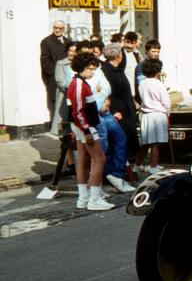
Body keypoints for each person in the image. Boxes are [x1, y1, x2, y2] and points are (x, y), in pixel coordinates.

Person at [66, 52, 114, 211]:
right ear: (82, 68)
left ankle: (83, 197)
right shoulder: (79, 84)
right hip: (85, 126)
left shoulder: (76, 82)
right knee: (100, 160)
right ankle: (94, 199)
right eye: (90, 68)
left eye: (94, 68)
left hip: (80, 126)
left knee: (83, 160)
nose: (92, 72)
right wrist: (86, 131)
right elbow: (77, 111)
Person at [101, 43, 139, 171]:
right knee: (119, 141)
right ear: (118, 56)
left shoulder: (117, 68)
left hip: (126, 109)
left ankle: (125, 168)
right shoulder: (106, 70)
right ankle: (119, 170)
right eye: (122, 54)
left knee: (126, 140)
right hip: (117, 111)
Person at [134, 59, 170, 174]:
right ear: (157, 71)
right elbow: (166, 102)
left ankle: (137, 165)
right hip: (158, 114)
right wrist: (168, 114)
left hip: (145, 115)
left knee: (146, 143)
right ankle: (153, 166)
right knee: (156, 143)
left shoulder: (142, 83)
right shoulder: (159, 84)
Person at [40, 20, 70, 126]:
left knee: (68, 102)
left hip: (68, 77)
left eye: (60, 28)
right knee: (55, 103)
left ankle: (68, 129)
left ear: (64, 29)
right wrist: (56, 74)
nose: (57, 30)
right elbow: (45, 61)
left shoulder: (68, 41)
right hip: (54, 78)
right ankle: (57, 129)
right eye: (55, 28)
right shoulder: (47, 42)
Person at [121, 31, 143, 96]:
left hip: (135, 90)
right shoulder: (119, 54)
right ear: (123, 41)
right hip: (123, 91)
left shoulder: (136, 54)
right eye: (127, 42)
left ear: (135, 43)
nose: (129, 45)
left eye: (132, 43)